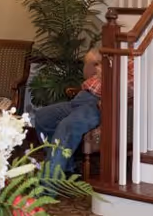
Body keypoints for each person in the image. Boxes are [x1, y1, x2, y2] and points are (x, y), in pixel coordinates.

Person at [33, 47, 134, 175]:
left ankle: (49, 182)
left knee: (68, 125)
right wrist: (93, 63)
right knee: (43, 116)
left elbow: (130, 88)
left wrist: (108, 76)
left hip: (98, 103)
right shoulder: (114, 57)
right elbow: (89, 77)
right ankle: (66, 168)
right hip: (80, 98)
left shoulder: (134, 63)